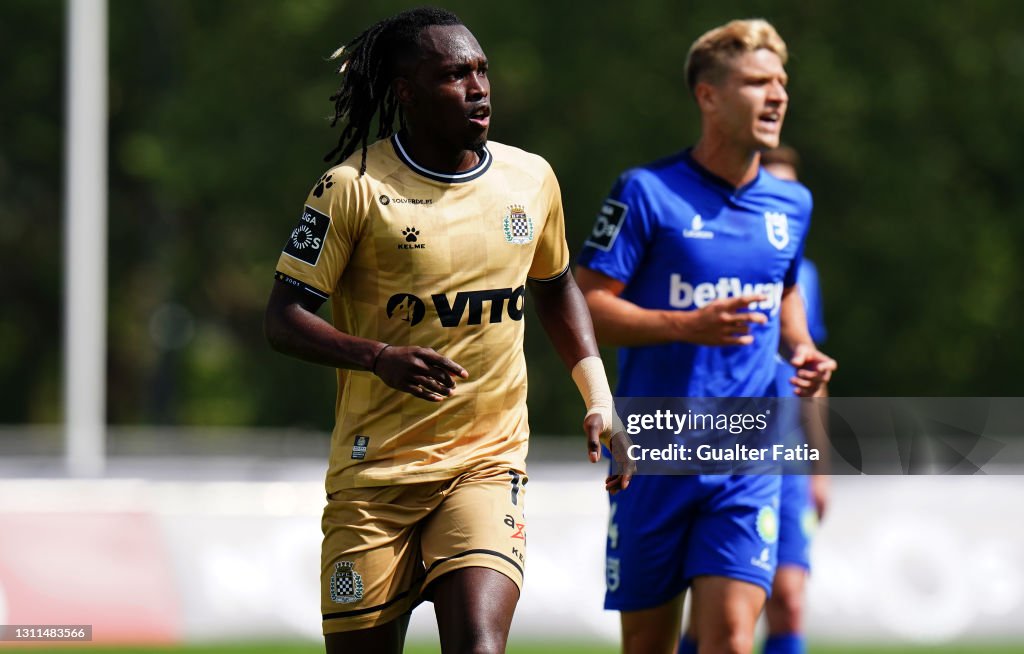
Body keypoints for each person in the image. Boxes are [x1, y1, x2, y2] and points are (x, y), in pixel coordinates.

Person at [264, 8, 630, 653]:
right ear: (406, 91)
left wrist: (598, 397)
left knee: (480, 646)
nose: (478, 88)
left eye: (482, 71)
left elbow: (556, 285)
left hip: (486, 465)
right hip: (376, 476)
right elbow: (283, 320)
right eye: (454, 74)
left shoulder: (531, 179)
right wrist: (377, 357)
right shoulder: (352, 188)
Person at [575, 19, 836, 654]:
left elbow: (787, 287)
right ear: (709, 96)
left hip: (746, 450)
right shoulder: (646, 193)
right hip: (654, 451)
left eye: (781, 82)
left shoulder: (789, 205)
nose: (777, 95)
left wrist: (799, 345)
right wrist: (685, 326)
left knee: (730, 639)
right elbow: (584, 307)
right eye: (756, 82)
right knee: (648, 645)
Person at [759, 145, 830, 654]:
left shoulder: (805, 277)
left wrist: (820, 467)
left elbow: (812, 374)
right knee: (725, 614)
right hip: (730, 450)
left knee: (789, 599)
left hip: (788, 460)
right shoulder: (720, 258)